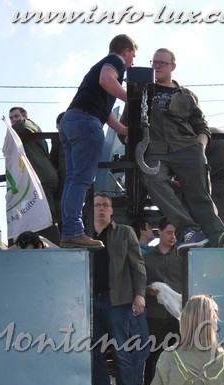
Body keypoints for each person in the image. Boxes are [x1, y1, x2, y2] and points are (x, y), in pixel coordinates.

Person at [138, 48, 224, 248]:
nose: (157, 66)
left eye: (162, 63)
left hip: (187, 148)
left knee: (199, 192)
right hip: (156, 151)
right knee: (153, 179)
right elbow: (127, 124)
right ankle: (189, 230)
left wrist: (200, 148)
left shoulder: (187, 96)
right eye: (154, 62)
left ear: (173, 66)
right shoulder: (141, 92)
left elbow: (201, 125)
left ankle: (218, 235)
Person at [59, 34, 136, 249]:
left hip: (70, 120)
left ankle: (69, 231)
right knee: (81, 180)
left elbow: (105, 111)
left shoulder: (101, 68)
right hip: (86, 123)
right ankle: (73, 232)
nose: (132, 62)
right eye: (133, 56)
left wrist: (123, 130)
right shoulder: (116, 61)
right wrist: (134, 99)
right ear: (126, 51)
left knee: (73, 179)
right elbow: (106, 80)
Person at [91, 192, 146, 385]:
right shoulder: (84, 236)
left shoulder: (125, 232)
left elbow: (138, 265)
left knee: (121, 354)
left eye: (105, 205)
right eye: (97, 205)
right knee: (96, 355)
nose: (101, 209)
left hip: (119, 303)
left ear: (112, 210)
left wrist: (140, 294)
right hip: (92, 303)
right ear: (92, 210)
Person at [9, 106, 60, 244]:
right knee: (36, 218)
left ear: (25, 117)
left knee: (46, 218)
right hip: (36, 179)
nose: (13, 120)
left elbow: (20, 126)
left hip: (42, 177)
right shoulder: (21, 133)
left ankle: (55, 247)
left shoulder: (30, 125)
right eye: (11, 118)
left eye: (16, 116)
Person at [143, 218, 182, 385]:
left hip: (179, 315)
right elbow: (140, 282)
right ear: (159, 232)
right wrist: (147, 289)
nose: (173, 237)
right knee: (154, 355)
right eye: (169, 233)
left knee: (178, 355)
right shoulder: (147, 258)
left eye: (175, 233)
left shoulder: (183, 256)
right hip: (155, 314)